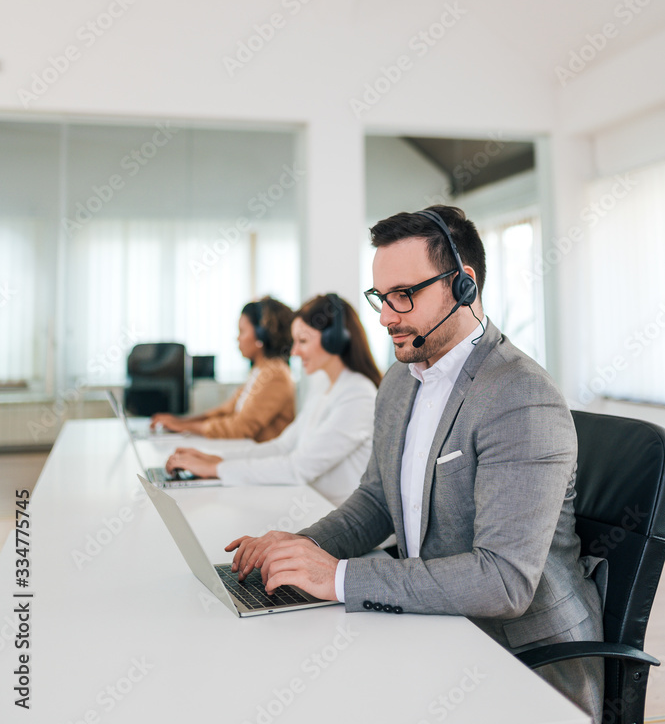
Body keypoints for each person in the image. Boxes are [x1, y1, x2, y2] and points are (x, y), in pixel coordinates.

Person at [225, 207, 606, 724]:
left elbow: (504, 580)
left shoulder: (519, 397)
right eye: (381, 297)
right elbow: (377, 499)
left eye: (405, 294)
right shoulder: (401, 379)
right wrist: (303, 548)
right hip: (437, 626)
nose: (386, 317)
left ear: (464, 285)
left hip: (522, 663)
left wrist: (339, 577)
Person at [164, 293, 381, 506]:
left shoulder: (357, 395)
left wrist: (216, 470)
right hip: (310, 504)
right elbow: (282, 446)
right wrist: (216, 459)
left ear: (334, 340)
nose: (294, 352)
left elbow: (299, 467)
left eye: (303, 341)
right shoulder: (325, 385)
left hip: (333, 518)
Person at [150, 296, 295, 441]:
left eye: (242, 331)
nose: (238, 338)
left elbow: (240, 428)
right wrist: (179, 422)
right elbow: (226, 411)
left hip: (264, 457)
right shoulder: (259, 371)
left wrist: (184, 427)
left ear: (260, 335)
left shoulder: (275, 374)